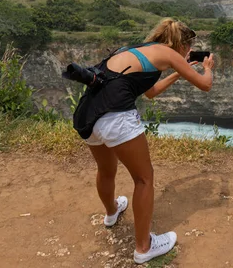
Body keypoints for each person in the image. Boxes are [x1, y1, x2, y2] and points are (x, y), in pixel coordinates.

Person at [84, 18, 215, 264]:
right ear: (181, 45)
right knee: (144, 179)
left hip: (89, 115)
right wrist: (207, 67)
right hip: (117, 118)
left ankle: (112, 213)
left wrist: (176, 73)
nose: (188, 53)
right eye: (188, 48)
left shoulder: (136, 49)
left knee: (106, 170)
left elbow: (150, 92)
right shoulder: (169, 52)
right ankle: (144, 247)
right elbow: (205, 85)